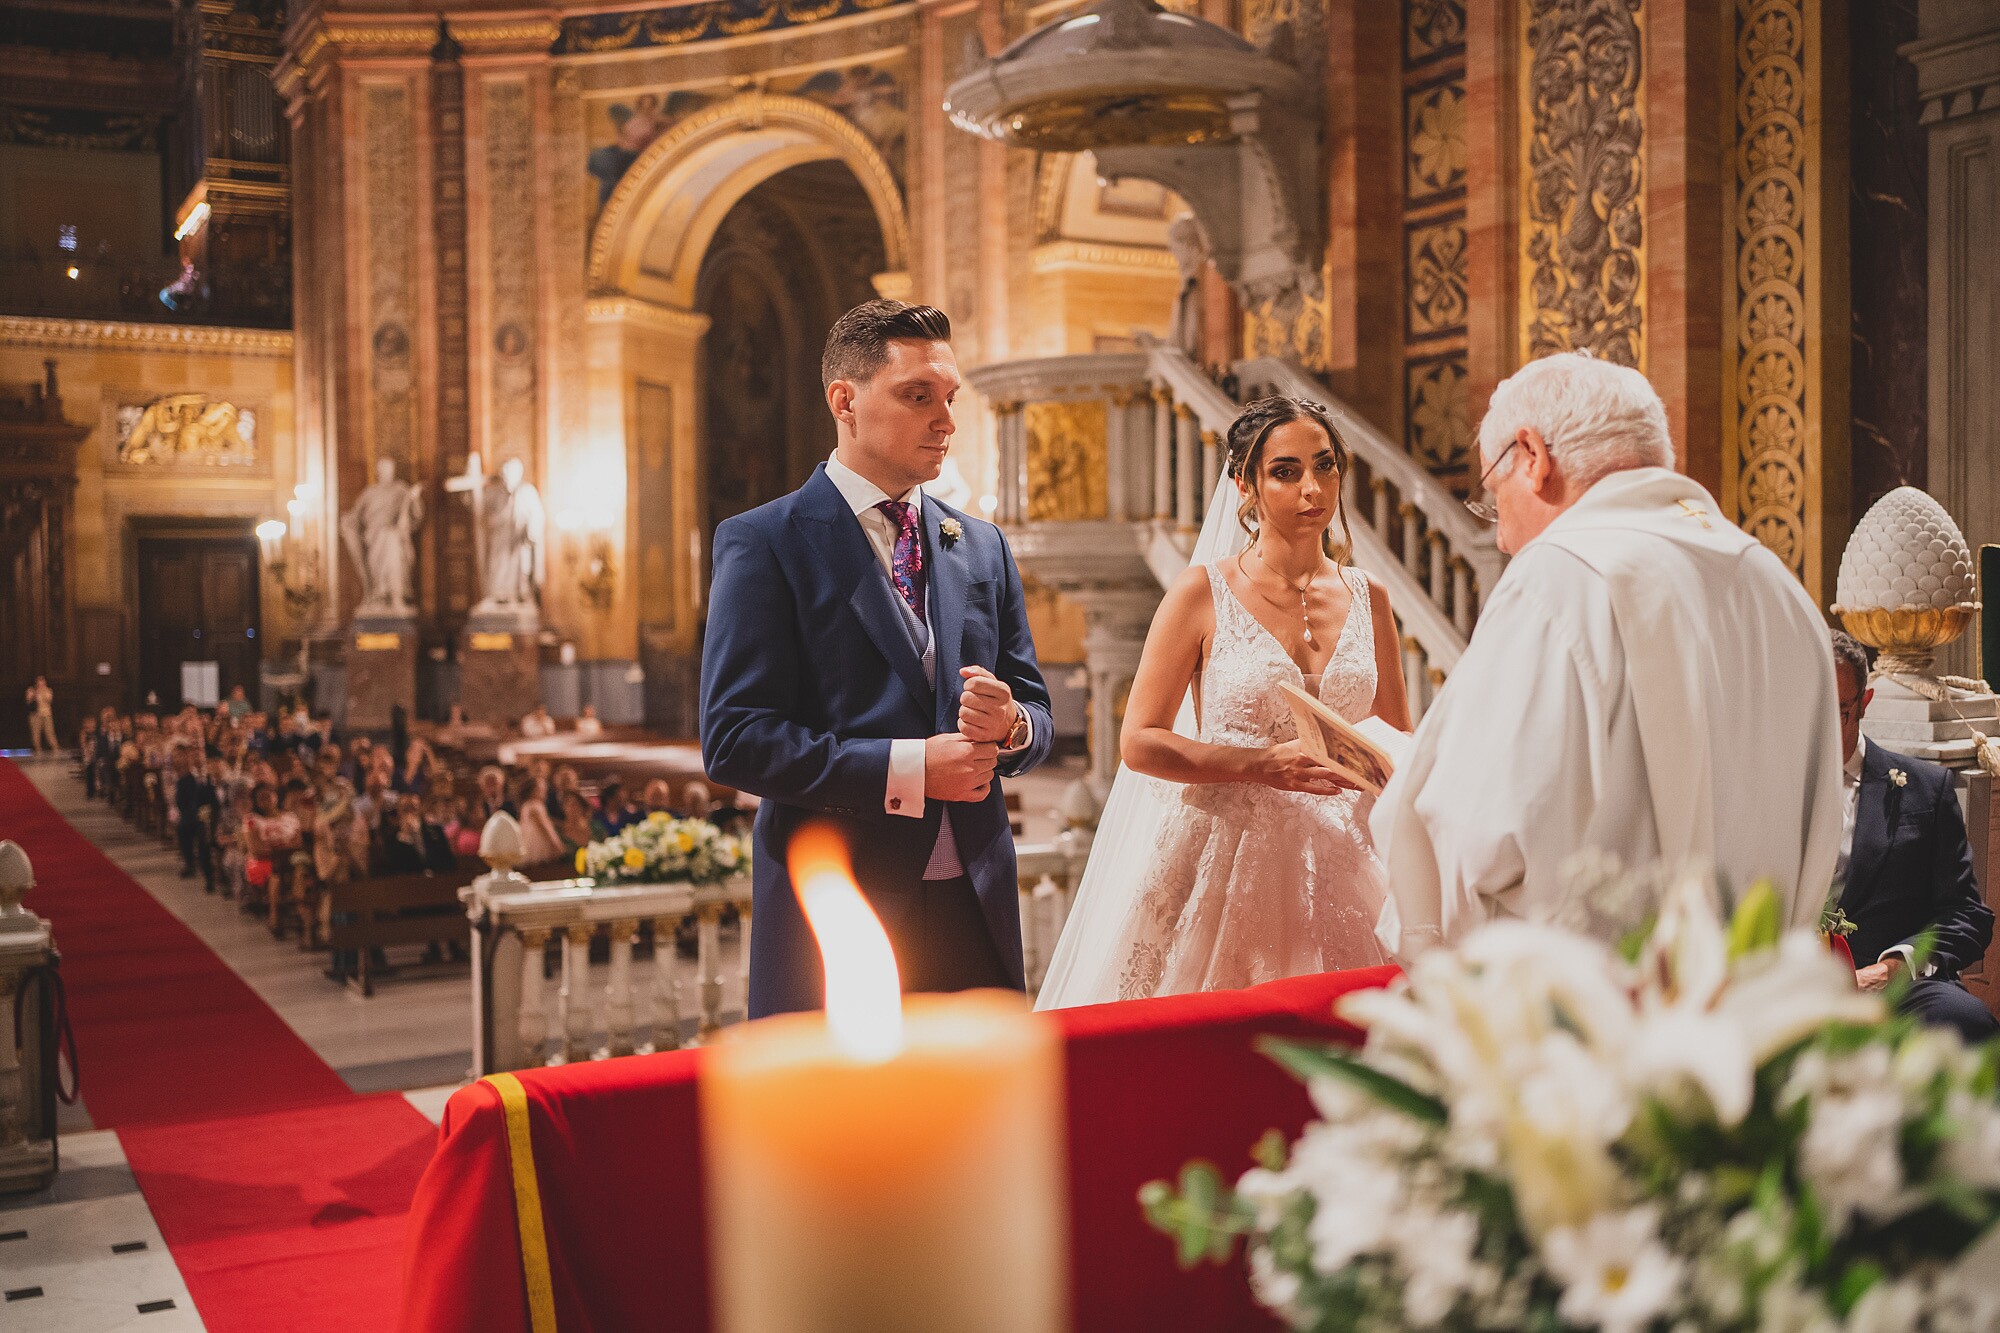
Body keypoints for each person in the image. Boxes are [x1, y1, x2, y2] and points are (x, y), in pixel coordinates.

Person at [1370, 352, 1844, 958]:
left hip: (1588, 1020)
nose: (1501, 537)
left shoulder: (1560, 579)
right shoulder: (1781, 590)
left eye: (1494, 497)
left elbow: (1476, 837)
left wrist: (1428, 934)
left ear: (1534, 457)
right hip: (1747, 1016)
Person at [701, 299, 1054, 1017]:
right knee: (842, 1130)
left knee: (980, 1123)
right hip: (838, 910)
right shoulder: (766, 541)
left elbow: (1038, 709)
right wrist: (914, 769)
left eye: (949, 398)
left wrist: (1012, 723)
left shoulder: (979, 543)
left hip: (976, 904)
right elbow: (735, 739)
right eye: (917, 396)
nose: (946, 420)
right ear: (845, 402)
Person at [1037, 398, 1408, 1008]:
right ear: (1246, 484)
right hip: (1227, 856)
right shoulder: (1201, 592)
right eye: (1285, 472)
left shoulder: (1371, 597)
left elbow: (1395, 737)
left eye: (1325, 466)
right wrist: (1260, 765)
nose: (1312, 488)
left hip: (1349, 861)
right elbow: (1139, 741)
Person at [1828, 631, 1997, 1042]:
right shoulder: (1766, 790)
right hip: (1789, 986)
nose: (1824, 730)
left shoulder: (1925, 789)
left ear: (1864, 704)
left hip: (1898, 987)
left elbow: (1966, 916)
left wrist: (1893, 969)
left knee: (1967, 1021)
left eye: (1840, 713)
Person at [25, 675, 56, 756]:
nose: (41, 683)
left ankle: (55, 747)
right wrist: (35, 694)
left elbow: (49, 699)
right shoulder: (31, 690)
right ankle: (37, 748)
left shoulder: (48, 690)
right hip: (35, 714)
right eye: (39, 681)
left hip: (46, 713)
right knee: (36, 732)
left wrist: (43, 692)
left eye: (42, 681)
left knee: (49, 731)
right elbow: (28, 701)